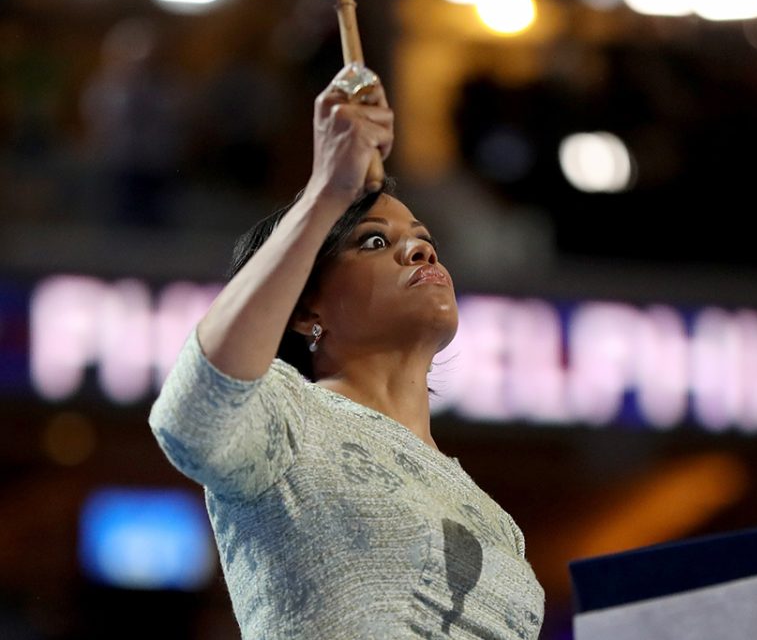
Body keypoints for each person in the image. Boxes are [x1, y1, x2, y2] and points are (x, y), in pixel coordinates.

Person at [149, 66, 545, 639]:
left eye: (425, 240)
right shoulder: (286, 416)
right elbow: (191, 418)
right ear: (307, 311)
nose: (418, 251)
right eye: (375, 241)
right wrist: (327, 191)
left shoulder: (496, 520)